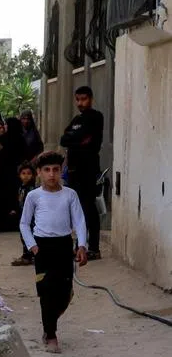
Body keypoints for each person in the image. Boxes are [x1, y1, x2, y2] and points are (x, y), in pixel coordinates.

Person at [19, 150, 89, 352]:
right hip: (42, 248)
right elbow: (24, 223)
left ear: (62, 171)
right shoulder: (34, 196)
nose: (52, 174)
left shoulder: (70, 195)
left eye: (56, 170)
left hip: (64, 246)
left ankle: (50, 321)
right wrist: (33, 246)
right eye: (47, 170)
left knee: (64, 293)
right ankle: (51, 334)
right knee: (47, 292)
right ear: (39, 172)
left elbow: (80, 221)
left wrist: (82, 245)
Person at [59, 86, 104, 260]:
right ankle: (80, 246)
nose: (80, 103)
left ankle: (94, 248)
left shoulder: (95, 117)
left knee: (89, 207)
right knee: (77, 210)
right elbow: (64, 139)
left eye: (84, 99)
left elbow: (84, 138)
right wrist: (76, 138)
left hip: (88, 169)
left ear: (91, 99)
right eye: (78, 99)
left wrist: (75, 138)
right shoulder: (77, 119)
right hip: (73, 170)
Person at [10, 161, 37, 266]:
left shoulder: (32, 189)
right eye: (23, 173)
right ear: (19, 175)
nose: (26, 176)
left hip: (31, 218)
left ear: (33, 175)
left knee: (29, 236)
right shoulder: (21, 187)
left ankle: (29, 256)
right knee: (23, 236)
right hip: (23, 216)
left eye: (29, 173)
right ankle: (27, 255)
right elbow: (20, 201)